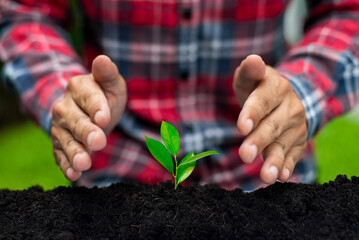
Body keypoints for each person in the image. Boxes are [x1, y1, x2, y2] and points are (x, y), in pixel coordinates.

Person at [1, 0, 359, 191]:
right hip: (114, 176)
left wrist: (303, 88)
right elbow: (24, 12)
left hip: (265, 171)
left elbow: (348, 10)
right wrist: (67, 94)